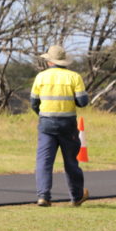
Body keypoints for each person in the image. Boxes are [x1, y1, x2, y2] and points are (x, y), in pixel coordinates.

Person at [30, 45, 90, 207]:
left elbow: (34, 103)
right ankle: (76, 197)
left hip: (46, 125)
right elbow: (82, 102)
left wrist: (43, 115)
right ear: (64, 61)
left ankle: (43, 196)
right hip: (67, 125)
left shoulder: (41, 77)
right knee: (71, 162)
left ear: (49, 61)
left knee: (44, 161)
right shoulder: (74, 77)